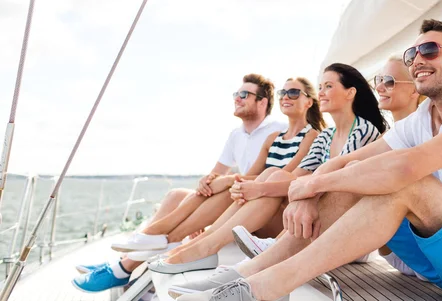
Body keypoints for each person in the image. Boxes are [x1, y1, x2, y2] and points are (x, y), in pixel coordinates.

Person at [175, 19, 442, 301]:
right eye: (412, 53)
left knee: (402, 182)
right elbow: (346, 162)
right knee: (360, 174)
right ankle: (246, 273)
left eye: (430, 50)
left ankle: (270, 287)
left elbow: (409, 169)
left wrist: (315, 183)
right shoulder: (421, 120)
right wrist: (311, 190)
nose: (417, 60)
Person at [153, 64, 387, 278]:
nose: (322, 92)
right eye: (320, 87)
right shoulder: (326, 136)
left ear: (350, 92)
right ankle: (202, 245)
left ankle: (199, 246)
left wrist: (259, 188)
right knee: (274, 174)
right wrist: (257, 186)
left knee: (270, 179)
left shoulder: (363, 131)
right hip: (312, 219)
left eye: (329, 86)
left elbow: (336, 184)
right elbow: (297, 178)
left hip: (346, 228)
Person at [72, 73, 287, 292]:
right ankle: (132, 256)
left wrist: (227, 181)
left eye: (244, 94)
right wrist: (207, 181)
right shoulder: (236, 135)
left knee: (228, 189)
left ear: (262, 102)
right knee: (176, 195)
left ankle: (127, 264)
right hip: (238, 194)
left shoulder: (278, 130)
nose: (237, 99)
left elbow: (267, 180)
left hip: (259, 209)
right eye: (236, 94)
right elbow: (215, 174)